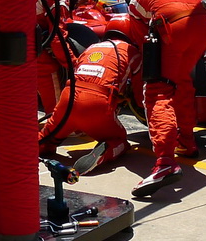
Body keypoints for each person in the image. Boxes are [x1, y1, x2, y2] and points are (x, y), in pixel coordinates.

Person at [127, 0, 206, 197]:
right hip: (205, 29)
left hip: (173, 27)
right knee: (182, 82)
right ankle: (187, 139)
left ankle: (165, 161)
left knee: (157, 90)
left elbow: (142, 43)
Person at [39, 14, 141, 175]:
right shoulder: (132, 51)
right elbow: (139, 92)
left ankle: (25, 149)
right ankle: (105, 153)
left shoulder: (92, 47)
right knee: (120, 141)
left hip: (68, 98)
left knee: (45, 138)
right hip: (97, 104)